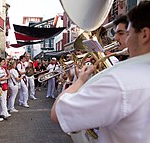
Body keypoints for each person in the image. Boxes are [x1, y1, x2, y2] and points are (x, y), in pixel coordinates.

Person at [51, 1, 150, 143]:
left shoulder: (120, 80)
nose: (125, 40)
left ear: (144, 35)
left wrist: (80, 80)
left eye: (128, 33)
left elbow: (57, 113)